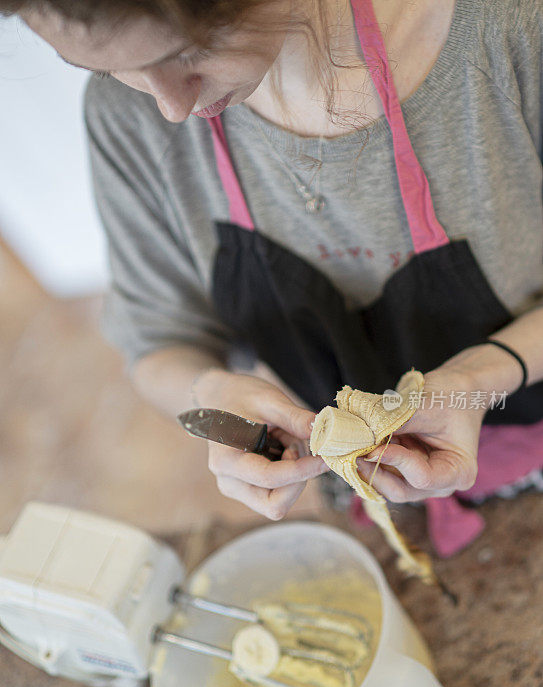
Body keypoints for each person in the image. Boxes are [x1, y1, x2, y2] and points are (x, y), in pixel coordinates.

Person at [5, 0, 543, 549]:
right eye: (101, 67)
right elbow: (160, 343)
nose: (171, 107)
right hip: (377, 494)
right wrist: (210, 392)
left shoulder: (513, 31)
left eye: (188, 53)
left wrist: (478, 383)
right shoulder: (128, 116)